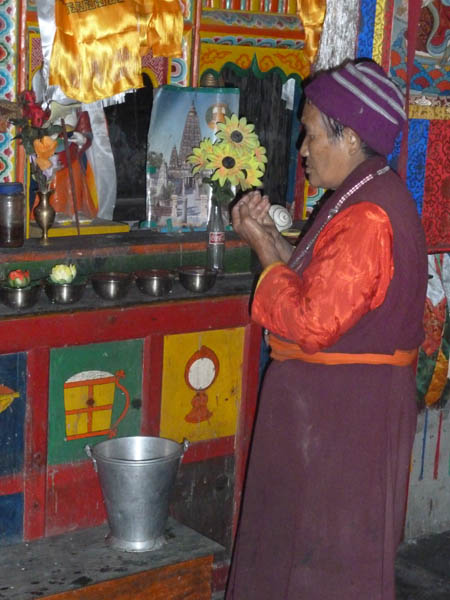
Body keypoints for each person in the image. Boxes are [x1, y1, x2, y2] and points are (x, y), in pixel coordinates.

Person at [225, 59, 428, 600]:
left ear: (351, 136)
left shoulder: (369, 216)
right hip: (332, 417)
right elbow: (328, 285)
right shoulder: (361, 197)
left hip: (343, 424)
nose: (303, 149)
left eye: (311, 134)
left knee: (326, 566)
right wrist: (275, 240)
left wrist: (267, 250)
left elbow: (313, 321)